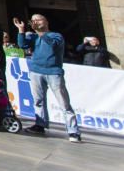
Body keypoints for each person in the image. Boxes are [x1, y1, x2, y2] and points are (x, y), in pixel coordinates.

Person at [16, 14, 81, 142]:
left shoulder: (55, 36)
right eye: (33, 20)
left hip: (53, 72)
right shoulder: (34, 37)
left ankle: (73, 131)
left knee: (64, 103)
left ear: (46, 21)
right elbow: (22, 45)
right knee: (38, 101)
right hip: (36, 71)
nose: (35, 22)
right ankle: (40, 125)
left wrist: (39, 32)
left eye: (38, 19)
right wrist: (21, 30)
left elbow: (51, 45)